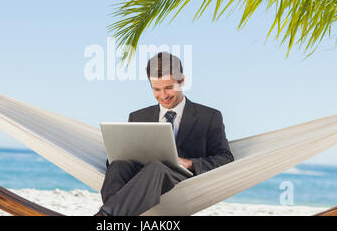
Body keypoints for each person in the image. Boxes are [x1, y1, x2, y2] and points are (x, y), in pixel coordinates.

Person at [95, 52, 234, 216]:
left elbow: (225, 158)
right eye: (156, 89)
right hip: (141, 179)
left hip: (181, 182)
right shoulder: (138, 117)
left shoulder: (209, 116)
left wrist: (189, 163)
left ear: (181, 80)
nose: (163, 95)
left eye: (168, 88)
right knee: (117, 166)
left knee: (157, 167)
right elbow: (121, 159)